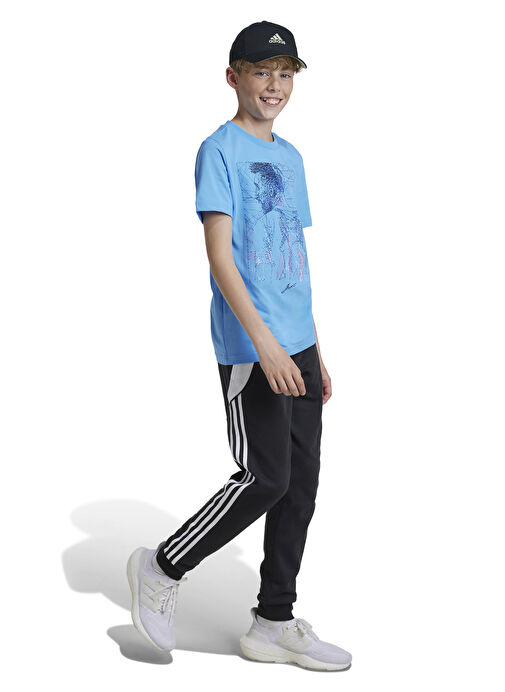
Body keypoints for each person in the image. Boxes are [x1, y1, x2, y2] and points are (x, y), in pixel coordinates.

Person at [126, 20, 352, 672]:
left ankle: (273, 622)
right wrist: (265, 345)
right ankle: (162, 565)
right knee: (266, 477)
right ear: (233, 77)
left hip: (298, 343)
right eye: (260, 72)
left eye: (284, 74)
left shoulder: (292, 157)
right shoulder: (218, 150)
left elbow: (292, 260)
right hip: (253, 348)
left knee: (299, 487)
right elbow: (222, 259)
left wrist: (313, 349)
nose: (273, 85)